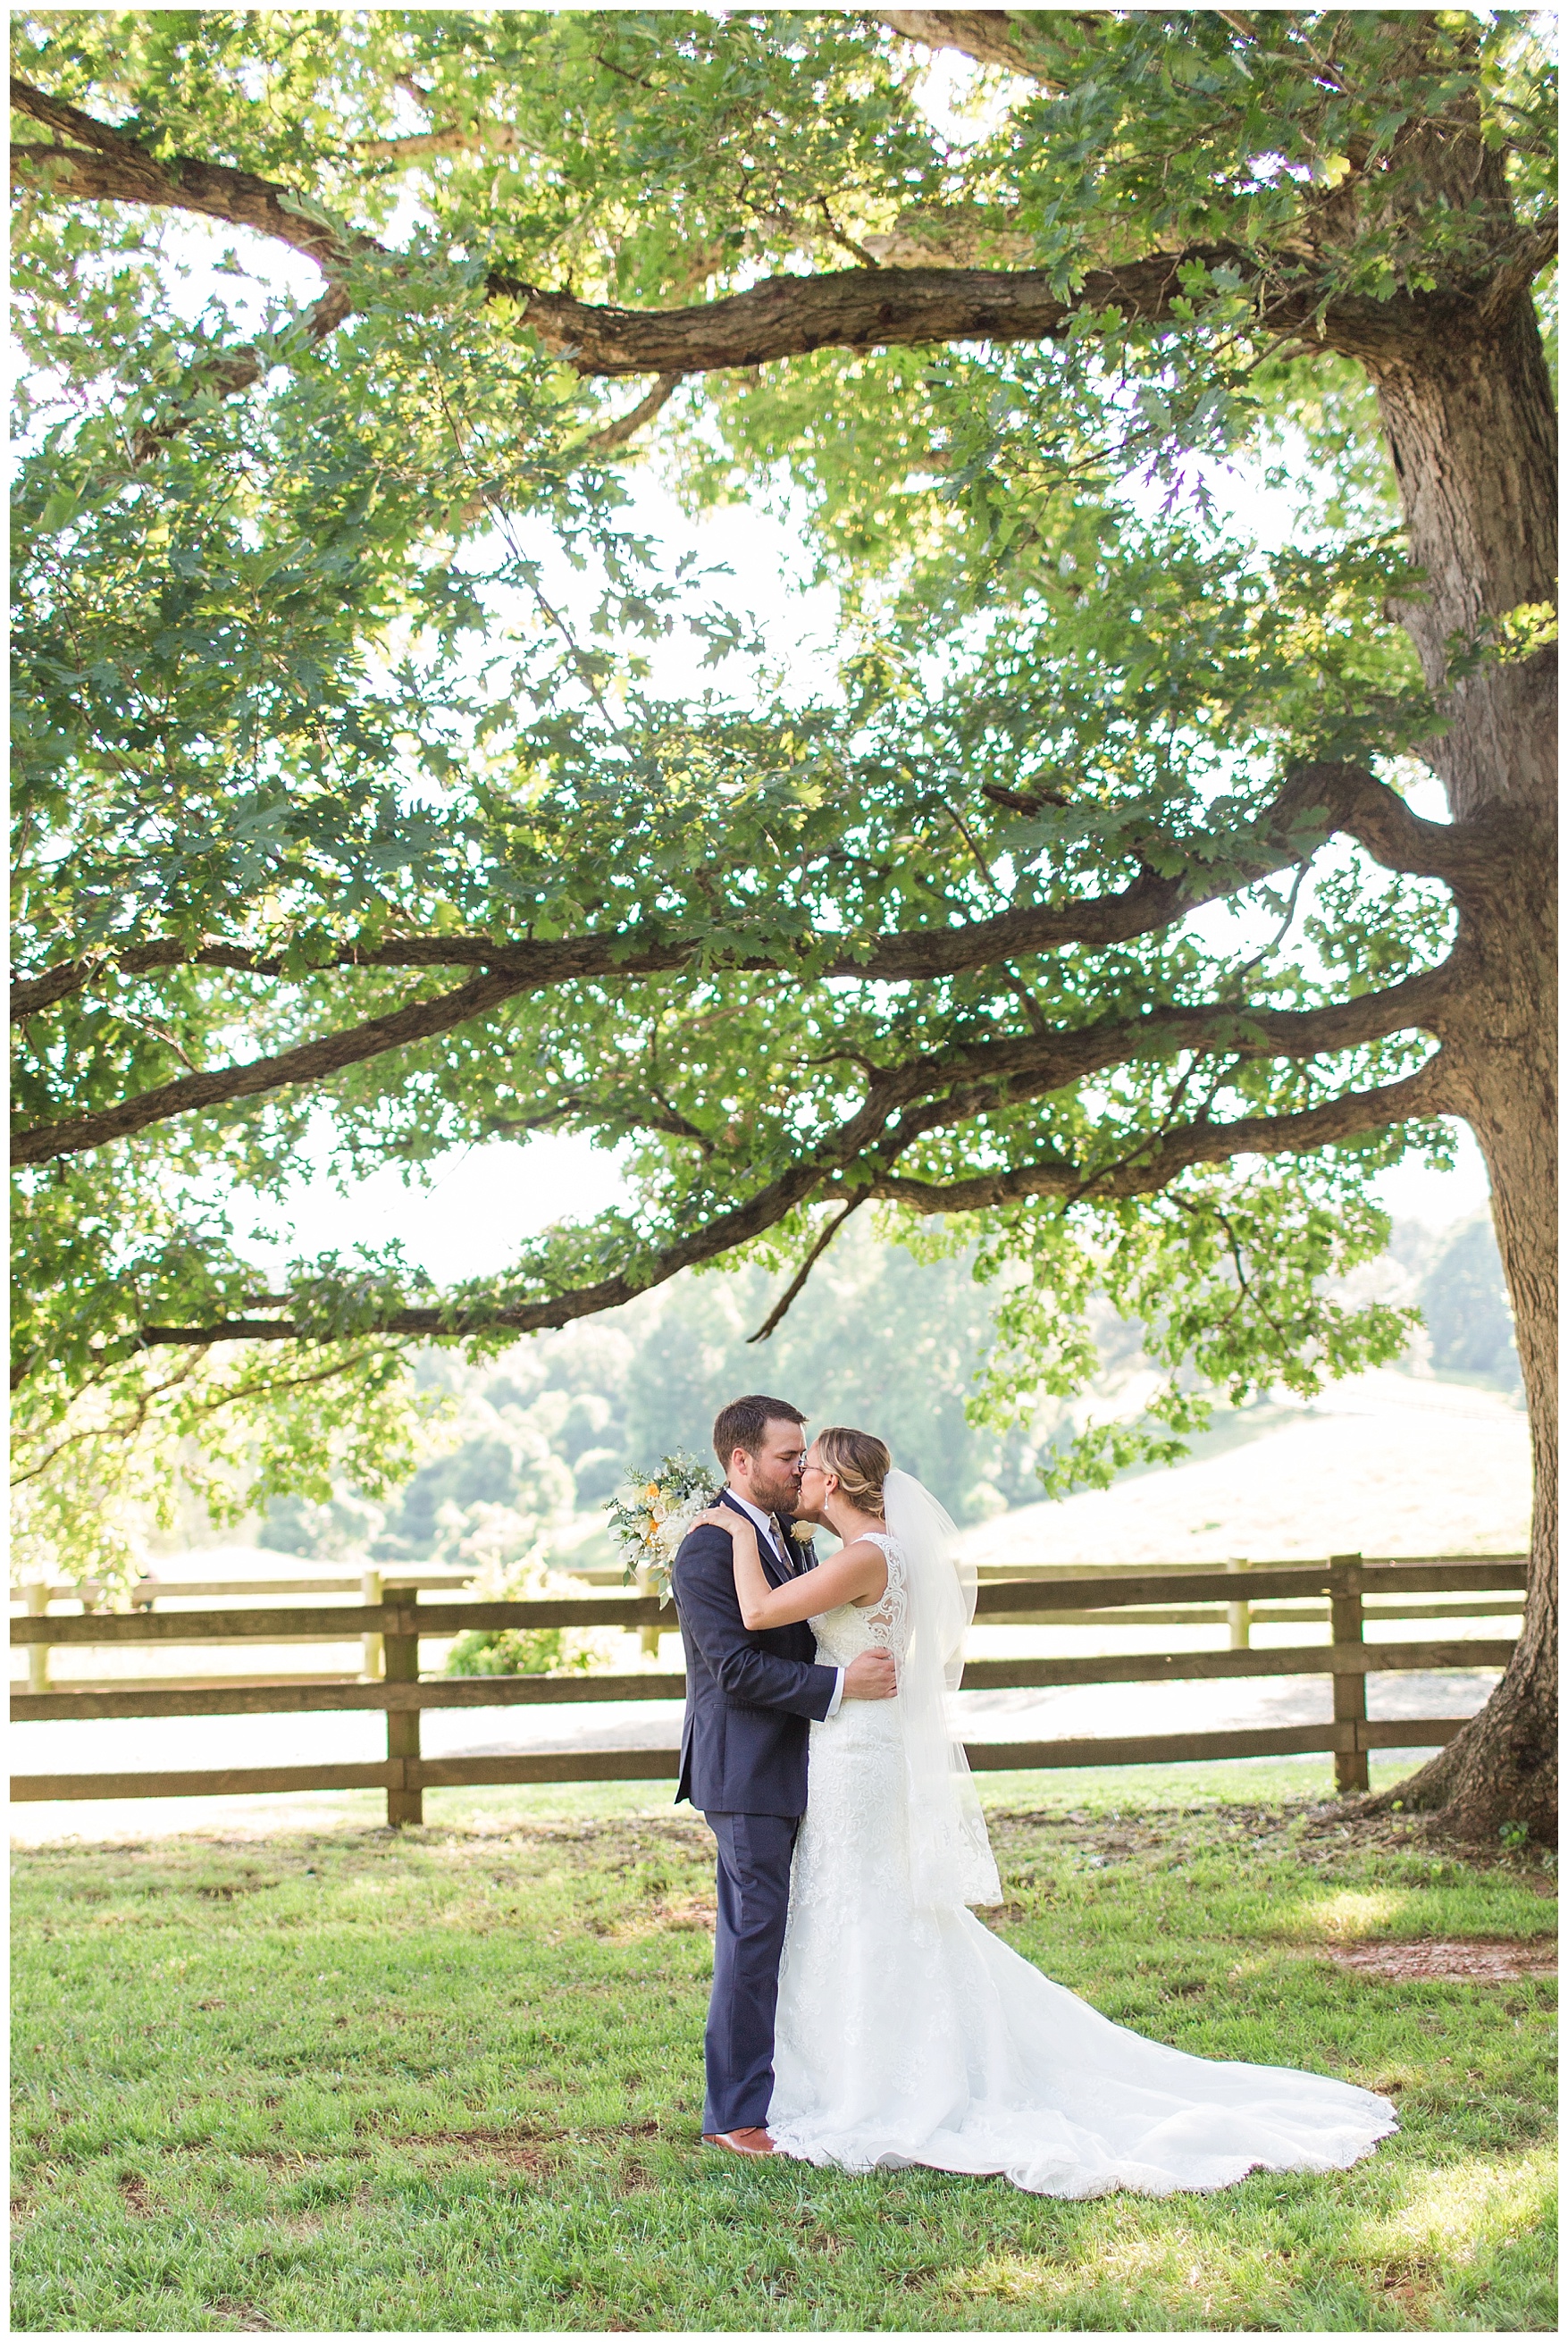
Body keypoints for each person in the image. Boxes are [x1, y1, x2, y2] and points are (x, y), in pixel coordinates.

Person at [692, 1425, 1399, 2198]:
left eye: (807, 1465)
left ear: (831, 1483)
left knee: (858, 1904)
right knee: (853, 1905)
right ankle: (839, 2071)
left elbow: (758, 1616)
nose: (797, 1476)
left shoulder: (865, 1556)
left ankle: (870, 2080)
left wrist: (729, 1531)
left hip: (854, 1752)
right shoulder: (872, 1552)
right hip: (846, 1749)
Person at [668, 1396, 897, 2159]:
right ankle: (732, 2114)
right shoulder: (707, 1546)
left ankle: (796, 2086)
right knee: (753, 1935)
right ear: (740, 1461)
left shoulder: (788, 1539)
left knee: (790, 1933)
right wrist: (839, 1690)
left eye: (804, 1454)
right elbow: (733, 1667)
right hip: (744, 1770)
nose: (801, 1466)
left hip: (809, 1764)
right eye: (787, 1455)